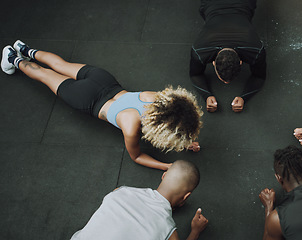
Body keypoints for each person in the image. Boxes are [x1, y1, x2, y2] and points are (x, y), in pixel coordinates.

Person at [1, 41, 204, 170]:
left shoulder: (156, 97)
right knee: (45, 75)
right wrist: (166, 166)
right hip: (86, 99)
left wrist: (184, 141)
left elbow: (171, 118)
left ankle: (23, 49)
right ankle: (12, 58)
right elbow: (137, 156)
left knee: (60, 65)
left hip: (103, 80)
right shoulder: (132, 125)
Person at [71, 160, 208, 240]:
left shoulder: (120, 191)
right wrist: (195, 231)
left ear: (164, 175)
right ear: (186, 196)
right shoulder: (168, 229)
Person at [190, 0, 266, 113]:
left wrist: (244, 97)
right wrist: (206, 95)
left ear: (214, 63)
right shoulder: (200, 50)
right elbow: (195, 74)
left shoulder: (256, 49)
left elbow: (260, 77)